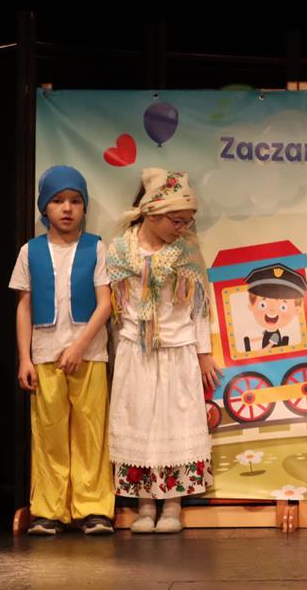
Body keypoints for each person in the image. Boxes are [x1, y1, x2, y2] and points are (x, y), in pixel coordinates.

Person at [107, 168, 222, 534]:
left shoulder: (186, 252)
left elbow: (199, 305)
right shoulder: (120, 250)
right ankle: (144, 505)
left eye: (188, 221)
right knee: (139, 420)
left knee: (176, 422)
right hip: (136, 350)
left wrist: (203, 352)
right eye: (176, 220)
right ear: (152, 213)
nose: (182, 227)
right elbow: (114, 307)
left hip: (178, 349)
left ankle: (172, 505)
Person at [10, 165, 115, 535]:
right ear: (45, 207)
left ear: (84, 207)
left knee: (91, 432)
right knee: (49, 434)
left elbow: (106, 303)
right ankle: (48, 509)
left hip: (89, 355)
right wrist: (25, 358)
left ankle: (94, 509)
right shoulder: (30, 251)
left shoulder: (96, 247)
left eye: (75, 201)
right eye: (57, 201)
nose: (67, 208)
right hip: (45, 355)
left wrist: (79, 345)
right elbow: (24, 306)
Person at [242, 263, 307, 352]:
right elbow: (262, 337)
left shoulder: (275, 335)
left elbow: (270, 346)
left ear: (297, 310)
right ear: (251, 306)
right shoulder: (266, 332)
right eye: (263, 305)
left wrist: (261, 351)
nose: (272, 310)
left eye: (283, 307)